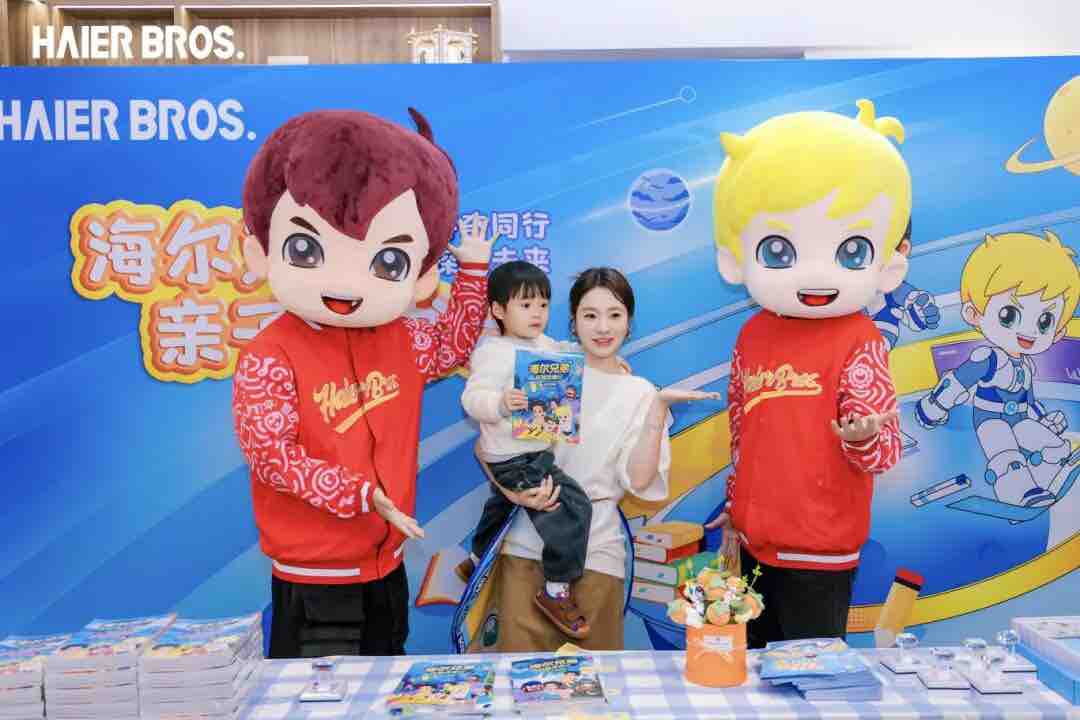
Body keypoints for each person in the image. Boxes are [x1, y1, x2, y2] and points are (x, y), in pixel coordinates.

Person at [232, 107, 492, 658]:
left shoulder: (401, 338)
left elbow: (451, 346)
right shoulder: (269, 356)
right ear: (261, 250)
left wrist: (472, 274)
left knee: (386, 680)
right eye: (307, 249)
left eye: (388, 260)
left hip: (386, 565)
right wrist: (361, 495)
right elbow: (272, 456)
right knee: (321, 693)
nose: (346, 284)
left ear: (421, 275)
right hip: (315, 576)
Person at [707, 99, 907, 648]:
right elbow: (742, 433)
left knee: (813, 681)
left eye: (850, 250)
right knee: (751, 678)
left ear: (887, 262)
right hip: (752, 545)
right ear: (735, 258)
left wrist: (863, 437)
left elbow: (884, 449)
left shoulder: (860, 338)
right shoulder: (753, 334)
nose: (816, 273)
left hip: (821, 552)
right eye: (779, 249)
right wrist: (735, 510)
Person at [483, 267, 717, 651]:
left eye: (614, 314)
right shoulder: (546, 370)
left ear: (629, 322)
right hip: (526, 547)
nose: (603, 327)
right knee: (519, 680)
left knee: (599, 682)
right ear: (573, 321)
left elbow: (639, 482)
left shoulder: (639, 392)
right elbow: (488, 448)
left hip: (597, 554)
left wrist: (657, 409)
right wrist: (512, 493)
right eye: (590, 315)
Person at [458, 260, 594, 639]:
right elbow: (472, 398)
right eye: (526, 304)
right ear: (498, 310)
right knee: (572, 508)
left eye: (544, 305)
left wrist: (599, 357)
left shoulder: (544, 345)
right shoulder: (493, 352)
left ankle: (475, 559)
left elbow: (566, 352)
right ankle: (556, 590)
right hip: (514, 457)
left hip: (531, 450)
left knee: (501, 506)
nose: (537, 313)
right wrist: (500, 403)